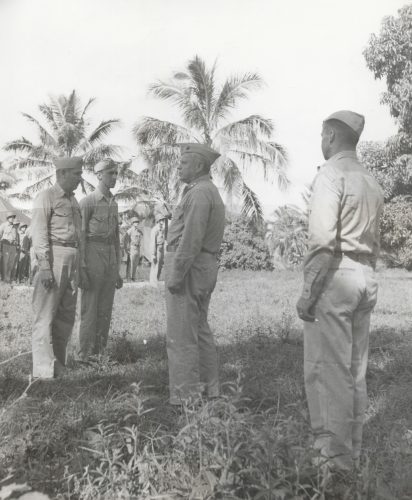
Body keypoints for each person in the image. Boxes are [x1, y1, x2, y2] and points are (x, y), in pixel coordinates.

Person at [296, 110, 384, 471]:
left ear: (331, 136)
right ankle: (353, 452)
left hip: (336, 274)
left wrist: (308, 293)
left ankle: (333, 462)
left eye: (322, 135)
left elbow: (321, 242)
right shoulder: (370, 180)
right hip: (365, 275)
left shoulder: (331, 175)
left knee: (327, 370)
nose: (321, 142)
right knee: (354, 372)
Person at [165, 143, 225, 405]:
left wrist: (176, 274)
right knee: (199, 329)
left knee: (181, 333)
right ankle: (210, 389)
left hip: (190, 267)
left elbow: (190, 239)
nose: (179, 166)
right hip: (202, 265)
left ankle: (186, 395)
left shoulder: (199, 194)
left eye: (184, 162)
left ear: (199, 165)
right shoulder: (206, 192)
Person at [31, 156, 84, 378]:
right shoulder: (46, 196)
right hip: (53, 256)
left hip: (72, 256)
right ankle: (43, 371)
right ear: (61, 174)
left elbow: (78, 236)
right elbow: (40, 232)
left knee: (65, 315)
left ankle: (58, 365)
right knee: (45, 316)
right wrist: (44, 266)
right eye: (76, 174)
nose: (79, 178)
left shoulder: (73, 201)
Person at [78, 159, 122, 361]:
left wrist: (118, 268)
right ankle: (85, 354)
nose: (114, 177)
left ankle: (100, 352)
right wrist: (82, 267)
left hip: (110, 256)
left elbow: (116, 237)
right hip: (92, 253)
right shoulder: (88, 202)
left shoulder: (114, 203)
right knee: (90, 307)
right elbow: (80, 237)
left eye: (116, 173)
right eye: (110, 173)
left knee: (106, 307)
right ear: (99, 175)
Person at [0, 212, 20, 282]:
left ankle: (8, 278)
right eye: (11, 217)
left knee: (11, 263)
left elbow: (16, 237)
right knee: (5, 262)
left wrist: (16, 245)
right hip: (6, 245)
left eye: (13, 217)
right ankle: (4, 278)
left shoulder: (15, 227)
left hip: (13, 246)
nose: (12, 219)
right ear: (8, 218)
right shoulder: (3, 225)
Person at [149, 216, 166, 287]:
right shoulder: (155, 230)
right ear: (158, 221)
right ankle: (153, 284)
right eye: (161, 220)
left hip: (161, 249)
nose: (162, 221)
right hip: (156, 249)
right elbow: (153, 242)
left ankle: (156, 281)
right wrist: (153, 254)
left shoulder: (162, 229)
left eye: (163, 220)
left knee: (160, 266)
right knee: (155, 266)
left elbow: (164, 240)